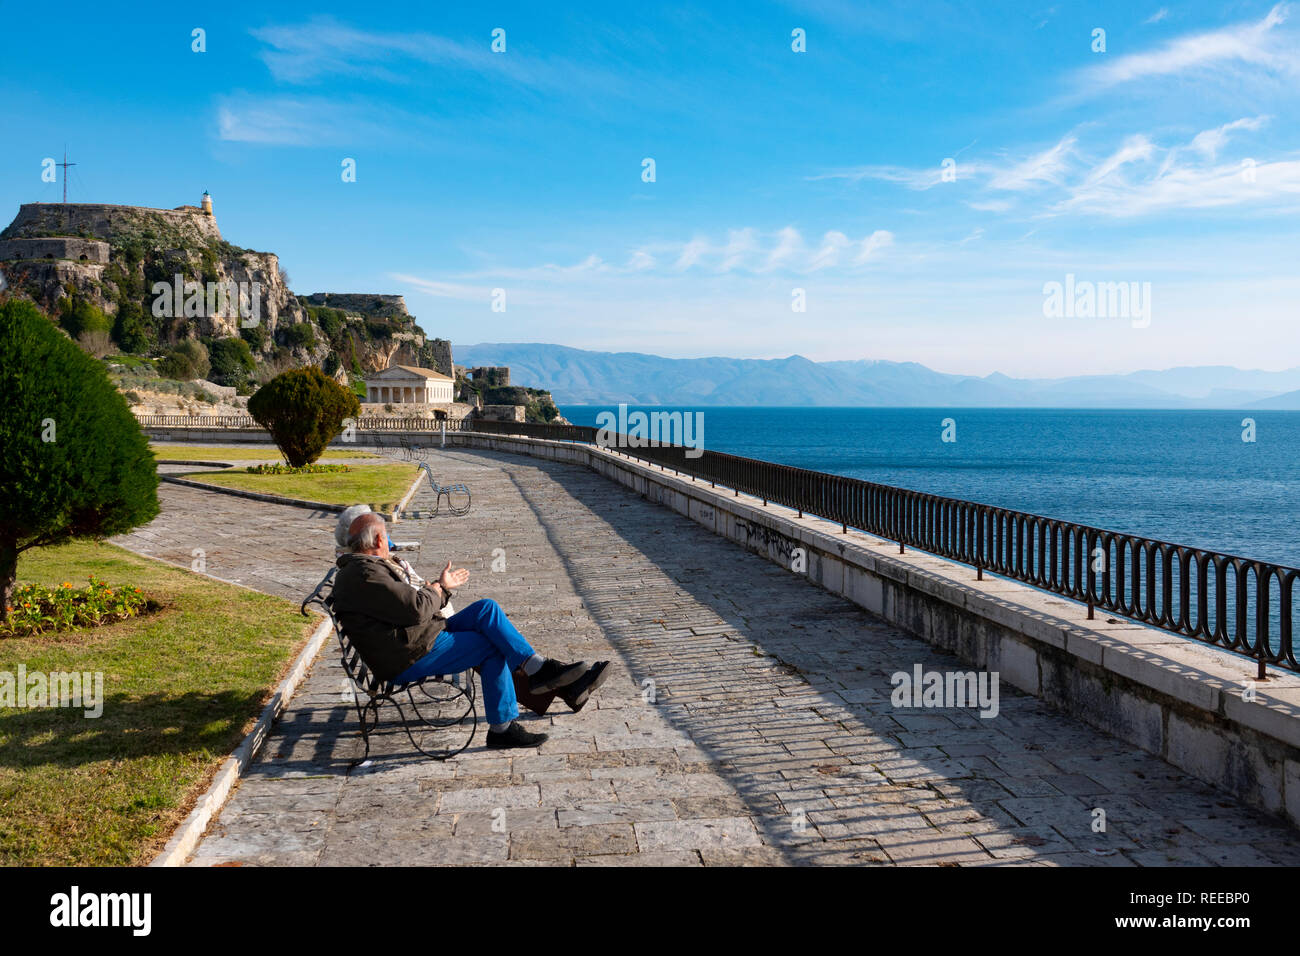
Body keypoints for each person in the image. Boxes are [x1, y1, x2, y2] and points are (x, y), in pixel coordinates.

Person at [330, 512, 610, 749]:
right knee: (490, 646)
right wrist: (439, 589)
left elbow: (411, 606)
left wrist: (438, 591)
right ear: (379, 540)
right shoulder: (366, 574)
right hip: (408, 653)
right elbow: (415, 607)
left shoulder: (364, 569)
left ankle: (542, 671)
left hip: (416, 636)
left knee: (486, 609)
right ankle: (503, 728)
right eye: (386, 536)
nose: (389, 542)